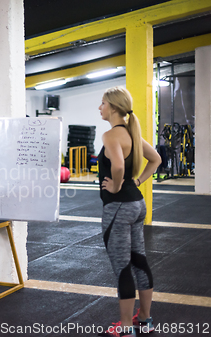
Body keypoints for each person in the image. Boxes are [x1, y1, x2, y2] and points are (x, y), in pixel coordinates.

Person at [97, 86, 161, 337]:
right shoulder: (132, 134)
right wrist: (139, 181)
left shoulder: (111, 135)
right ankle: (145, 319)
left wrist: (115, 185)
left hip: (118, 208)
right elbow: (156, 159)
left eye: (102, 103)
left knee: (122, 267)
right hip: (137, 204)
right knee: (139, 261)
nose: (99, 108)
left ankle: (125, 328)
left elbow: (119, 166)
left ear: (113, 107)